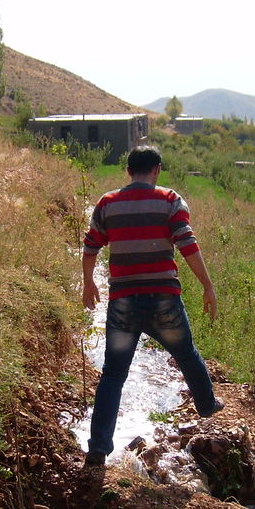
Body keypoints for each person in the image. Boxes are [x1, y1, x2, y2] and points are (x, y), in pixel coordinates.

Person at [81, 145, 222, 466]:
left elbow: (90, 248)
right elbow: (187, 244)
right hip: (163, 300)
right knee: (186, 353)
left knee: (113, 375)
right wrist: (207, 285)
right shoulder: (170, 200)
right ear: (157, 169)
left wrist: (89, 282)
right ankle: (207, 405)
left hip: (123, 303)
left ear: (128, 171)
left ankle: (98, 448)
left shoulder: (107, 203)